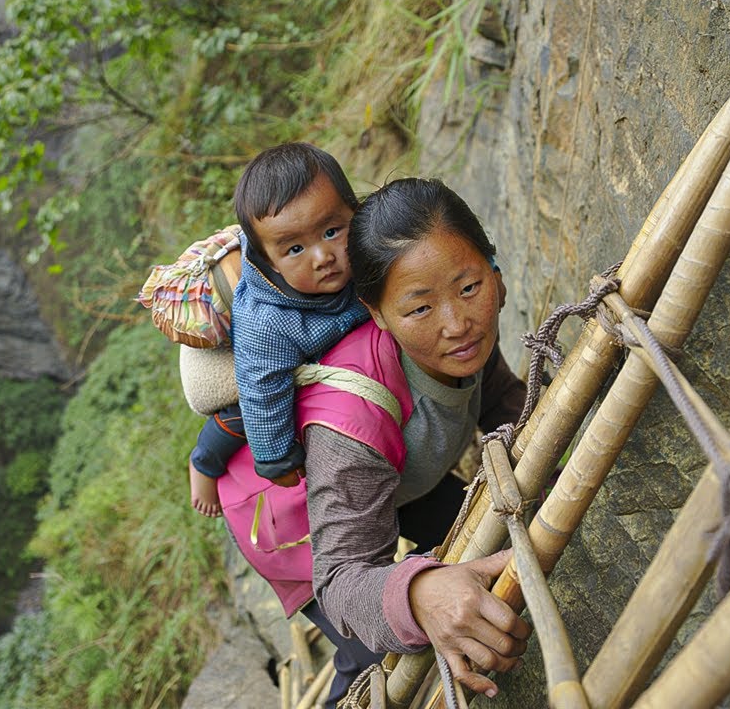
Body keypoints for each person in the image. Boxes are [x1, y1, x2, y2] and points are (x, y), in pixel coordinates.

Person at [218, 177, 531, 707]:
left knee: (489, 535)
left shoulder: (463, 337)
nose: (457, 324)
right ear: (377, 313)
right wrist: (417, 593)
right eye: (420, 309)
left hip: (400, 470)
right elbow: (341, 577)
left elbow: (498, 394)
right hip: (297, 520)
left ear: (493, 270)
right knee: (368, 655)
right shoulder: (353, 413)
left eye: (469, 287)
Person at [186, 142, 370, 517]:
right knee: (242, 410)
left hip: (335, 338)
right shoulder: (266, 320)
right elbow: (262, 390)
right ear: (269, 261)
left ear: (355, 210)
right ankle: (203, 463)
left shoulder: (372, 235)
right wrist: (276, 457)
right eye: (295, 249)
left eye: (333, 230)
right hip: (251, 372)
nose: (322, 257)